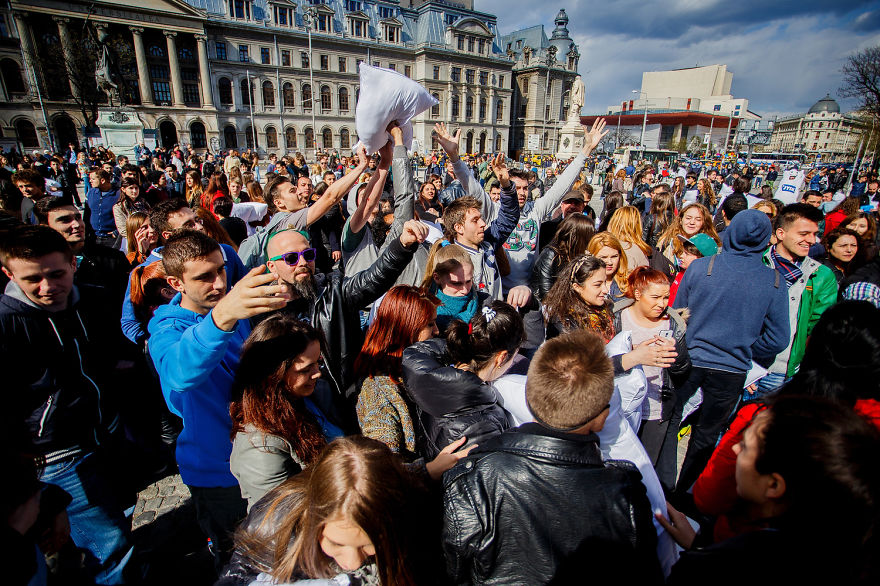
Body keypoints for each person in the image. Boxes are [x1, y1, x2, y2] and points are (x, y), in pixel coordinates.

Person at [442, 329, 663, 584]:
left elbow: (456, 571)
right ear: (602, 418)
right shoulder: (626, 495)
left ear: (529, 399)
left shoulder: (472, 478)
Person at [148, 230, 289, 570]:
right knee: (239, 560)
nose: (219, 283)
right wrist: (222, 317)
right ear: (176, 283)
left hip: (263, 456)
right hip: (219, 473)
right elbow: (180, 373)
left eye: (221, 270)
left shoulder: (231, 311)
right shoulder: (167, 331)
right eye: (204, 277)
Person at [0, 225, 133, 584]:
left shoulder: (94, 298)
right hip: (57, 455)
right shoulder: (6, 323)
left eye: (56, 274)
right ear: (9, 275)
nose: (47, 287)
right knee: (110, 545)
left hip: (107, 433)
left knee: (118, 519)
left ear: (73, 264)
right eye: (32, 279)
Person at [661, 396, 880, 585]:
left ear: (774, 485)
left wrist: (702, 556)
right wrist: (699, 545)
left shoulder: (713, 568)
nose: (735, 449)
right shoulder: (846, 557)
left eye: (745, 447)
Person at [667, 210, 790, 495]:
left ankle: (662, 487)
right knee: (706, 435)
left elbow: (678, 317)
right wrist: (744, 346)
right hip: (732, 370)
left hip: (691, 361)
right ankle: (684, 494)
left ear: (731, 234)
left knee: (670, 422)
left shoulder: (700, 268)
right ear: (766, 239)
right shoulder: (774, 281)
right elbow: (778, 338)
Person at [219, 436, 447, 586]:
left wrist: (427, 470)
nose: (353, 562)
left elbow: (393, 480)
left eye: (370, 543)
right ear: (313, 515)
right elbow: (236, 576)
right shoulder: (274, 526)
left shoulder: (396, 498)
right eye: (336, 543)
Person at [264, 220, 428, 397]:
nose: (303, 262)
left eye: (308, 254)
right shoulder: (260, 311)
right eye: (291, 258)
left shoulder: (333, 290)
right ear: (272, 266)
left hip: (340, 396)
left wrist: (402, 245)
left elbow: (373, 279)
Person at [229, 316, 348, 509]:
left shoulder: (310, 395)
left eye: (318, 363)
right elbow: (278, 513)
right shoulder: (260, 443)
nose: (317, 373)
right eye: (305, 369)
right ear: (274, 373)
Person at [402, 301, 525, 460]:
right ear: (501, 357)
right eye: (513, 357)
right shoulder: (484, 425)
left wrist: (461, 348)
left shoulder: (434, 375)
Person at [612, 267, 691, 490]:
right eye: (655, 297)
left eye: (666, 297)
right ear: (638, 294)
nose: (662, 304)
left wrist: (676, 355)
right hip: (620, 409)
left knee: (644, 476)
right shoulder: (616, 318)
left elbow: (683, 372)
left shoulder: (673, 324)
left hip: (656, 410)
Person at [756, 203, 837, 397]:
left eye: (814, 234)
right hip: (745, 364)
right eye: (804, 234)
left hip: (783, 373)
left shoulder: (821, 276)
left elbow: (817, 328)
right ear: (781, 233)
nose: (812, 240)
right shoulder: (756, 263)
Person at [355, 285, 440, 461]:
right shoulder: (378, 392)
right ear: (407, 328)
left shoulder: (421, 367)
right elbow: (383, 466)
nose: (437, 331)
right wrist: (431, 469)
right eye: (430, 324)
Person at [33, 197, 131, 309]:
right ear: (46, 228)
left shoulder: (114, 259)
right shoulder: (38, 266)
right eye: (65, 220)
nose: (76, 224)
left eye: (78, 218)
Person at [421, 240, 489, 333]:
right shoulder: (426, 313)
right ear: (437, 278)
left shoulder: (485, 304)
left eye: (468, 281)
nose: (465, 290)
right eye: (456, 283)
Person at [530, 213, 596, 301]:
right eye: (590, 235)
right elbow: (546, 293)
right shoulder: (551, 254)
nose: (592, 239)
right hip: (544, 304)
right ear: (579, 237)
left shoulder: (578, 255)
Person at [657, 202, 722, 267]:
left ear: (704, 223)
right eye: (688, 218)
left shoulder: (709, 244)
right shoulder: (667, 241)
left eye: (698, 219)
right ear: (681, 220)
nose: (692, 222)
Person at [668, 233, 718, 306]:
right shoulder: (683, 272)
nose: (681, 256)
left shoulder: (702, 281)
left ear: (701, 258)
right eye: (683, 252)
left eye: (687, 254)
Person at [588, 231, 630, 303]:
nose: (610, 262)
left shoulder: (630, 282)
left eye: (614, 256)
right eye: (603, 257)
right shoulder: (583, 283)